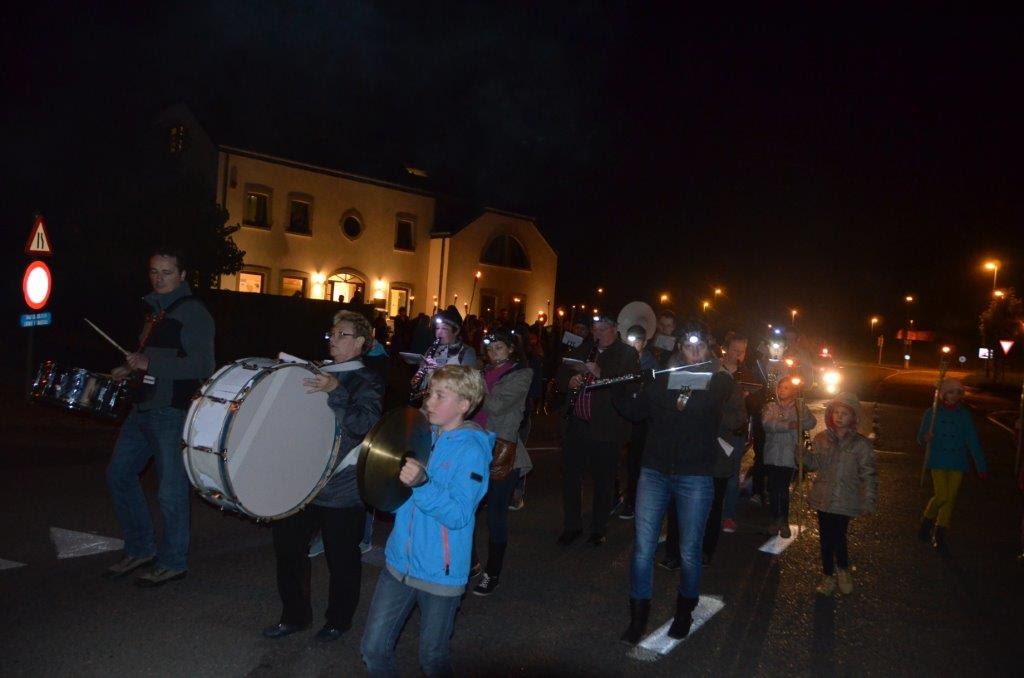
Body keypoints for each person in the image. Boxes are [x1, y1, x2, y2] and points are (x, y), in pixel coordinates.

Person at [360, 365, 493, 676]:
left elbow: (459, 515)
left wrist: (422, 483)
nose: (429, 401)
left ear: (463, 405)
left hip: (440, 573)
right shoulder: (420, 433)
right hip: (399, 562)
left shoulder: (472, 451)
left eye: (439, 396)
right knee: (373, 649)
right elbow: (398, 499)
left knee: (432, 659)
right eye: (430, 393)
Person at [263, 310, 385, 641]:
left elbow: (363, 425)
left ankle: (338, 619)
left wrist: (336, 391)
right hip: (302, 480)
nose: (333, 339)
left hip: (342, 485)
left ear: (360, 342)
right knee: (287, 547)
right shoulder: (316, 370)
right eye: (332, 333)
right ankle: (294, 615)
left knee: (341, 556)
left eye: (342, 335)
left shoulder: (367, 380)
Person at [103, 248, 215, 586]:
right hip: (143, 407)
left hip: (172, 412)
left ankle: (174, 561)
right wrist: (128, 370)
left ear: (182, 275)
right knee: (119, 475)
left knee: (171, 491)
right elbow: (149, 359)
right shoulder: (155, 310)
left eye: (167, 272)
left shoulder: (193, 313)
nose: (159, 278)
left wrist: (149, 364)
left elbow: (203, 366)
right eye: (154, 271)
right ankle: (141, 548)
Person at [616, 322, 733, 644]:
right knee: (642, 549)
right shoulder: (661, 379)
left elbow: (695, 403)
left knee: (690, 550)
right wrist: (621, 383)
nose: (693, 352)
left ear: (708, 349)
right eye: (687, 346)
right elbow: (634, 411)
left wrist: (656, 385)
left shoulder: (719, 381)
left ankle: (684, 611)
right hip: (654, 472)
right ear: (679, 348)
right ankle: (638, 616)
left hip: (694, 475)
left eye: (700, 346)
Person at [555, 312, 640, 546]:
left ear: (615, 329)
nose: (598, 334)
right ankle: (572, 525)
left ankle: (598, 528)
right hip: (577, 425)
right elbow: (562, 371)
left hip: (606, 427)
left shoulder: (627, 353)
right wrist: (569, 381)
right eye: (595, 329)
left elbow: (628, 384)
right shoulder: (584, 348)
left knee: (603, 480)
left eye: (602, 329)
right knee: (571, 478)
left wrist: (600, 373)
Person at [470, 330, 533, 596]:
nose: (493, 352)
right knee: (466, 509)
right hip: (473, 447)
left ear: (511, 349)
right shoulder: (482, 371)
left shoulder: (521, 374)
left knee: (495, 515)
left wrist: (475, 382)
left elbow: (495, 406)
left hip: (501, 451)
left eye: (499, 347)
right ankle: (470, 563)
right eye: (490, 347)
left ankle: (492, 573)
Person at [802, 392, 877, 595]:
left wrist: (868, 499)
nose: (839, 416)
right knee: (826, 538)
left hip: (846, 498)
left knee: (839, 536)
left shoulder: (861, 445)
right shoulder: (821, 439)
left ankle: (842, 569)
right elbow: (815, 464)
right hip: (824, 497)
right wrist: (803, 456)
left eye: (844, 413)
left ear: (853, 417)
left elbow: (868, 474)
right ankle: (828, 575)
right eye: (836, 412)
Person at [916, 378, 989, 556]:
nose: (954, 396)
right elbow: (920, 439)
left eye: (958, 392)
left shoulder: (964, 415)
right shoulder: (931, 413)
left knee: (950, 499)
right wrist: (926, 438)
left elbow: (972, 440)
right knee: (942, 495)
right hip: (938, 459)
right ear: (943, 394)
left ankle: (940, 533)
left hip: (957, 461)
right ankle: (927, 521)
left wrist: (981, 464)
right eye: (950, 392)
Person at [761, 377, 816, 537]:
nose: (782, 390)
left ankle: (783, 520)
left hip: (789, 454)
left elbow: (810, 423)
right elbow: (767, 424)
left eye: (786, 388)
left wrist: (802, 413)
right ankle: (774, 518)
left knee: (783, 489)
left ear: (792, 390)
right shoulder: (771, 406)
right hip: (772, 454)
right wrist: (787, 425)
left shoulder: (799, 407)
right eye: (780, 387)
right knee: (773, 488)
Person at [621, 324, 659, 520]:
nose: (633, 344)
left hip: (641, 419)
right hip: (624, 415)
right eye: (631, 340)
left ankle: (632, 501)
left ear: (644, 342)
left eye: (637, 341)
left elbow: (652, 390)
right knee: (619, 460)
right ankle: (617, 497)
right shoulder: (622, 358)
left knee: (636, 462)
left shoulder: (650, 362)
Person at [409, 306, 477, 403]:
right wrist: (419, 376)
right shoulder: (431, 349)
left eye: (444, 329)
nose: (438, 333)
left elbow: (466, 386)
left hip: (451, 406)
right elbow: (419, 380)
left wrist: (436, 372)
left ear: (456, 331)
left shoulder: (467, 352)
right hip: (428, 403)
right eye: (437, 328)